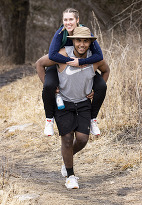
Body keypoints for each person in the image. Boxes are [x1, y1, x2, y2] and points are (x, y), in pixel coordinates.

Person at [36, 26, 110, 189]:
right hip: (64, 103)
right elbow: (40, 64)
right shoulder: (62, 54)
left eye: (85, 41)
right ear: (73, 41)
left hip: (83, 103)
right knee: (67, 138)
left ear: (90, 43)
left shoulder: (96, 59)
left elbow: (106, 71)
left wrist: (96, 89)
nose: (82, 44)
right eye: (78, 41)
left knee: (83, 139)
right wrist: (48, 85)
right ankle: (70, 176)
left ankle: (66, 158)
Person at [36, 8, 107, 137]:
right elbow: (52, 55)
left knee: (102, 86)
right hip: (60, 61)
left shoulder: (85, 32)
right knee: (49, 85)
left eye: (71, 19)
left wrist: (80, 62)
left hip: (83, 63)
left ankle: (93, 120)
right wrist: (70, 61)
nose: (68, 23)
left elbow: (99, 55)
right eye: (65, 20)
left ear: (77, 20)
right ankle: (49, 120)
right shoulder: (60, 33)